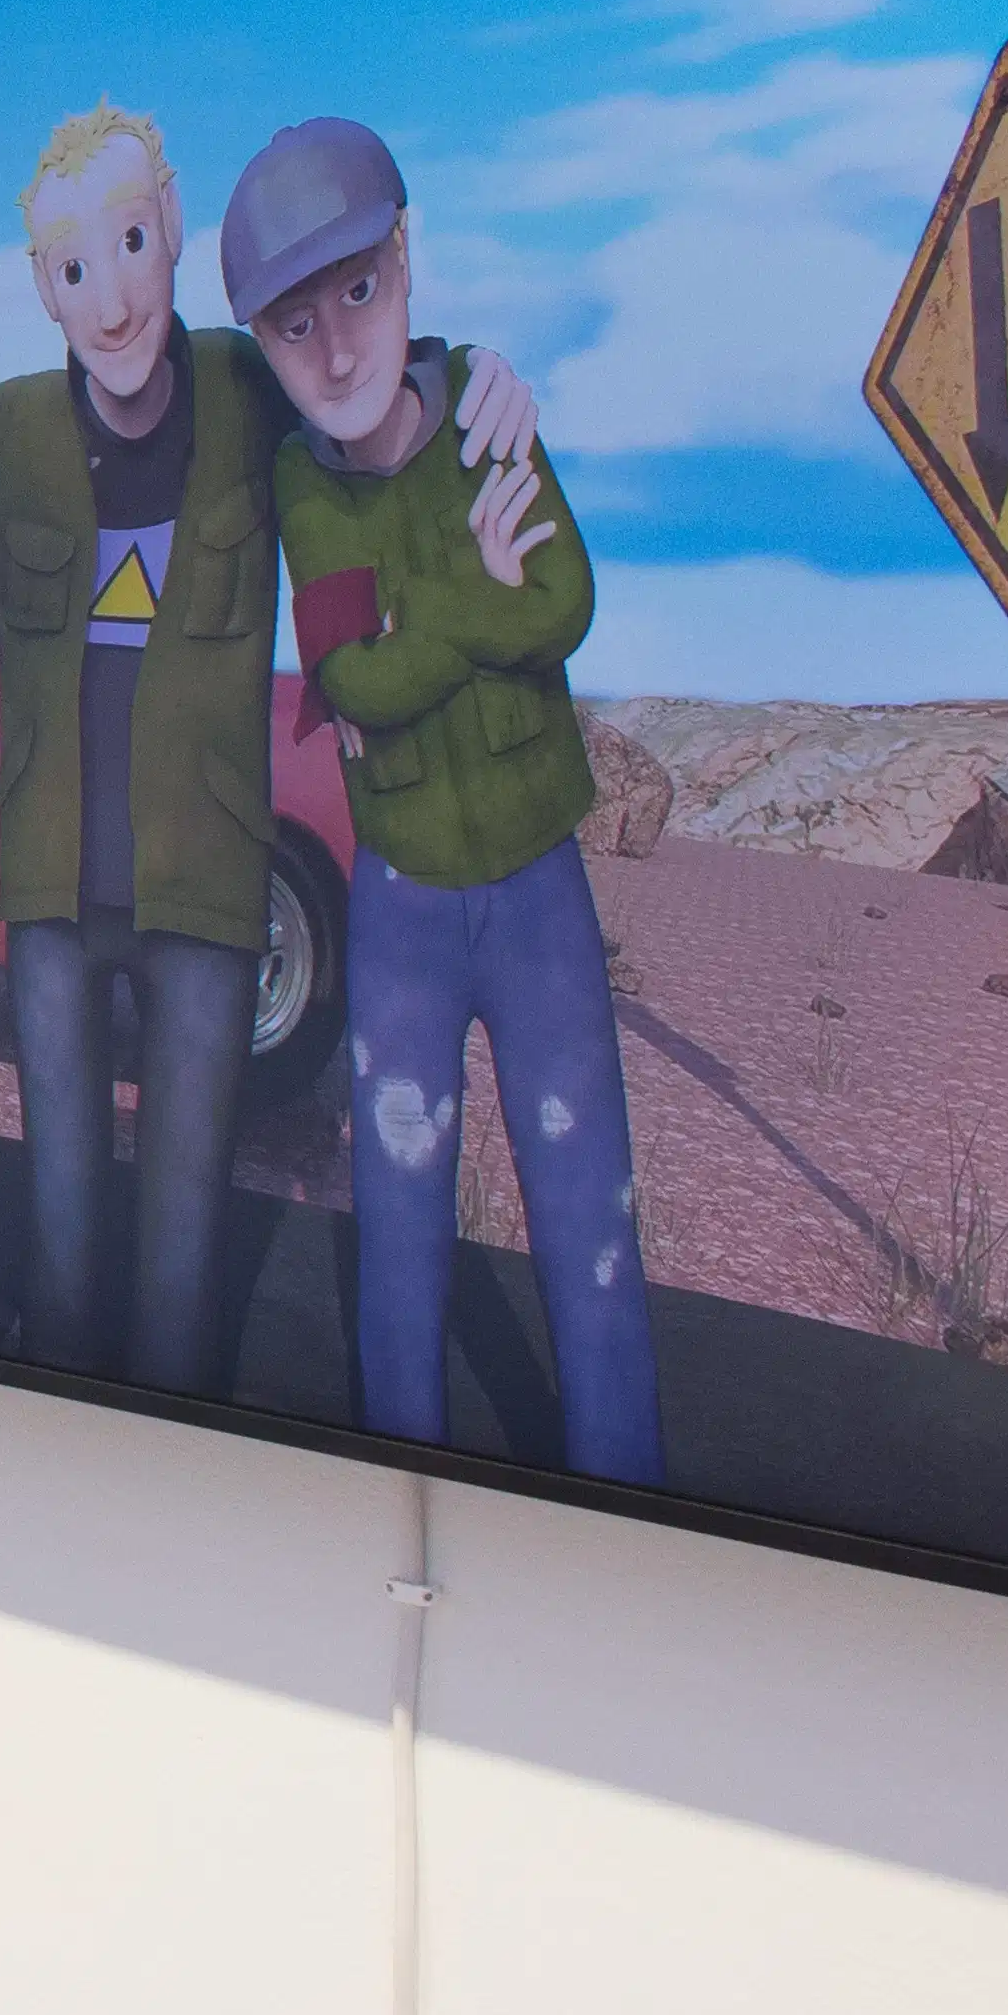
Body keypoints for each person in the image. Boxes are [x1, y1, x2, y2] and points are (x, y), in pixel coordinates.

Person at [0, 104, 539, 1394]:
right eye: (72, 268)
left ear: (173, 239)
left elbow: (358, 365)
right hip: (50, 897)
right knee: (63, 1249)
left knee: (179, 1263)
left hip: (207, 894)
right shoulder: (6, 433)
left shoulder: (244, 384)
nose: (109, 299)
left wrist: (465, 368)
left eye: (131, 244)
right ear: (44, 292)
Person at [229, 116, 663, 1484]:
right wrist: (477, 602)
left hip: (539, 890)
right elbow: (359, 678)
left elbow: (569, 601)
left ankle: (625, 1496)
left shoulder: (484, 402)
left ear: (406, 258)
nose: (341, 348)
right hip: (403, 899)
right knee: (402, 1217)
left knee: (587, 1211)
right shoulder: (306, 485)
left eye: (358, 290)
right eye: (295, 328)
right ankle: (401, 1496)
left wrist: (451, 619)